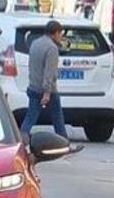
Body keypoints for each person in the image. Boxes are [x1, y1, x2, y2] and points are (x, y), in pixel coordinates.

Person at [18, 21, 80, 151]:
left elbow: (33, 67)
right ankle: (65, 144)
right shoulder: (52, 48)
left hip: (33, 86)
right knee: (58, 118)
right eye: (60, 34)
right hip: (47, 90)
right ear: (56, 32)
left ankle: (20, 142)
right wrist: (47, 92)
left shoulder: (35, 43)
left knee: (30, 117)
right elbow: (49, 72)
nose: (61, 37)